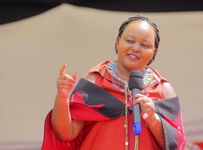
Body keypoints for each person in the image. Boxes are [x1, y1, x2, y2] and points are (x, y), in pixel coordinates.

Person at [41, 16, 186, 150]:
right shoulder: (96, 81)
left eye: (145, 45)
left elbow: (177, 145)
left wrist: (153, 118)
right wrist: (62, 98)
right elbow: (65, 134)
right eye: (129, 41)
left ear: (154, 52)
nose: (135, 48)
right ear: (117, 41)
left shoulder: (163, 89)